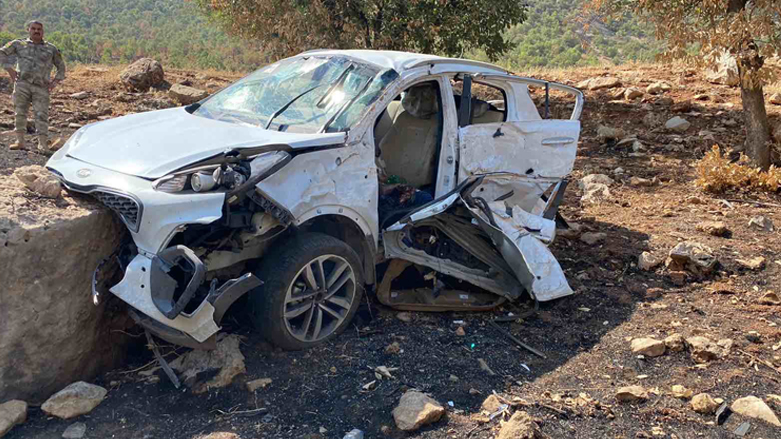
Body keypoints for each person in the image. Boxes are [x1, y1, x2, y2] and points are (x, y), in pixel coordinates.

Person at [0, 20, 66, 151]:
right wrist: (9, 69)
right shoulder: (19, 44)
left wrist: (55, 82)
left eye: (39, 29)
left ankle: (42, 144)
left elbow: (61, 66)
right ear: (28, 30)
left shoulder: (50, 48)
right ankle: (20, 141)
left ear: (43, 32)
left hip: (41, 87)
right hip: (22, 84)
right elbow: (1, 53)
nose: (36, 31)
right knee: (20, 112)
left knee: (41, 115)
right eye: (33, 28)